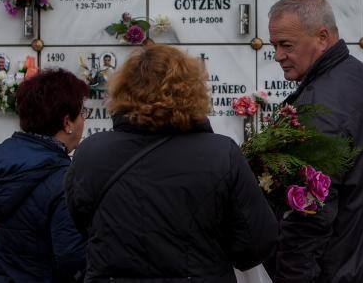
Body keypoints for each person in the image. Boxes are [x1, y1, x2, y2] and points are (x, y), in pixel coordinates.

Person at [65, 44, 278, 282]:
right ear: (191, 90)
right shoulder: (220, 153)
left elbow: (82, 226)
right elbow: (255, 244)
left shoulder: (91, 153)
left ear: (123, 90)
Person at [266, 0, 363, 283]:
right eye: (274, 45)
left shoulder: (320, 107)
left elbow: (308, 217)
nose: (277, 56)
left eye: (286, 45)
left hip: (337, 272)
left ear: (322, 37)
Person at [0, 69, 88, 282]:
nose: (83, 120)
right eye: (81, 113)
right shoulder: (62, 179)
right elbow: (72, 259)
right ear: (67, 123)